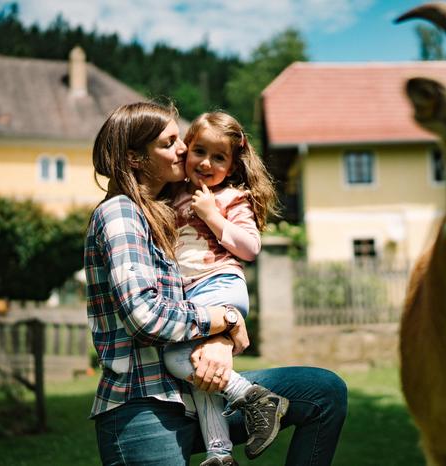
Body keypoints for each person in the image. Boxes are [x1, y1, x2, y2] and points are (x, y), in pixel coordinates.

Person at [86, 101, 347, 466]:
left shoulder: (164, 211)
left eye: (181, 139)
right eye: (169, 142)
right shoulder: (120, 213)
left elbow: (202, 287)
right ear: (134, 158)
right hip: (142, 404)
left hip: (189, 388)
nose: (184, 149)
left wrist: (220, 340)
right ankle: (248, 397)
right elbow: (144, 315)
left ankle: (245, 414)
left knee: (324, 393)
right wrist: (226, 320)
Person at [162, 111, 286, 466]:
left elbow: (250, 247)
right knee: (202, 370)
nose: (206, 163)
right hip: (193, 296)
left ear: (231, 167)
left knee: (176, 358)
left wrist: (213, 216)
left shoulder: (233, 197)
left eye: (219, 157)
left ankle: (253, 398)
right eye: (200, 151)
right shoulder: (172, 196)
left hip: (220, 285)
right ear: (187, 150)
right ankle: (219, 452)